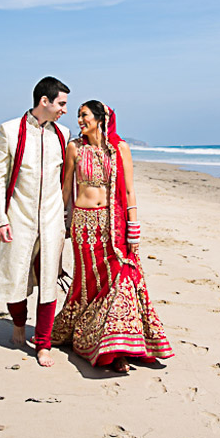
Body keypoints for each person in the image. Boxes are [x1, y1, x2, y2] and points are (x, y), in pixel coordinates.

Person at [52, 100, 173, 372]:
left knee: (120, 278)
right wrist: (59, 224)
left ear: (100, 118)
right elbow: (66, 189)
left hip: (112, 226)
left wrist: (133, 229)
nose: (80, 121)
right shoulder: (75, 147)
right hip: (83, 225)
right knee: (89, 286)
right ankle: (95, 342)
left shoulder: (120, 149)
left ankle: (117, 347)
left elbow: (129, 192)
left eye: (84, 116)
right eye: (78, 116)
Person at [0, 76, 70, 367]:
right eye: (61, 103)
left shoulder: (63, 134)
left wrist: (66, 217)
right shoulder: (10, 130)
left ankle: (43, 344)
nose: (64, 110)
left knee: (49, 282)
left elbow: (66, 179)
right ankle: (18, 322)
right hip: (18, 216)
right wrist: (0, 220)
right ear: (45, 101)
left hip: (52, 219)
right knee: (15, 277)